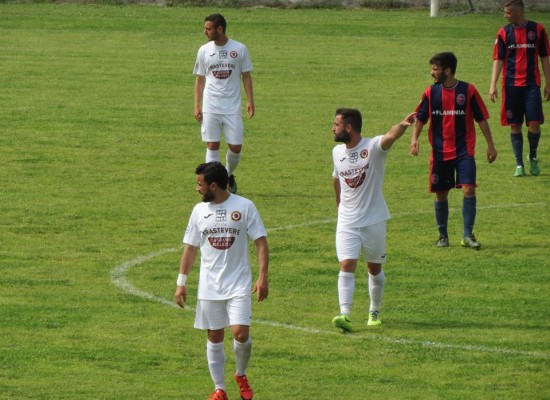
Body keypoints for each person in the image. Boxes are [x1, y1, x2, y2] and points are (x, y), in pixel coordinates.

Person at [174, 162, 269, 400]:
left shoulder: (244, 206)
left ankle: (240, 373)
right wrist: (181, 281)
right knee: (214, 335)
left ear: (213, 185)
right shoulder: (198, 211)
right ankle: (220, 389)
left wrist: (262, 277)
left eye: (200, 184)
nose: (197, 189)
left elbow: (261, 243)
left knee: (240, 334)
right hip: (209, 285)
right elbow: (190, 249)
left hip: (238, 284)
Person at [331, 108, 416, 332]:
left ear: (349, 128)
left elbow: (390, 136)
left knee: (374, 267)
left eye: (336, 125)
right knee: (347, 264)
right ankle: (345, 314)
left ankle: (374, 311)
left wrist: (404, 125)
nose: (333, 128)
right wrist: (339, 203)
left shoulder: (373, 147)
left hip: (373, 220)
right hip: (347, 221)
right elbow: (336, 179)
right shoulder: (336, 151)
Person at [411, 52, 498, 250]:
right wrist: (414, 139)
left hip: (464, 151)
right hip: (440, 152)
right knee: (441, 194)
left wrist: (491, 145)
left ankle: (467, 235)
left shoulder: (468, 91)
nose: (432, 73)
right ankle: (443, 236)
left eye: (435, 69)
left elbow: (482, 118)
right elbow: (421, 117)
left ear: (447, 70)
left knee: (468, 189)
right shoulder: (431, 93)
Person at [193, 13, 255, 194]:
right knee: (212, 144)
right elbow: (199, 79)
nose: (204, 31)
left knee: (236, 146)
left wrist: (250, 100)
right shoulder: (204, 50)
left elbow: (246, 76)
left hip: (232, 107)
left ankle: (227, 175)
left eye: (208, 28)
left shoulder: (240, 49)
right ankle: (214, 184)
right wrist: (197, 105)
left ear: (219, 29)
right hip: (211, 105)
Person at [489, 0, 550, 177]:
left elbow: (545, 57)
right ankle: (519, 164)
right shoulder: (503, 33)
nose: (505, 15)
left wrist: (548, 81)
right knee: (514, 125)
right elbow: (498, 60)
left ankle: (532, 156)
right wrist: (493, 84)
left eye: (508, 12)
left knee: (535, 123)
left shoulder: (537, 30)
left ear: (518, 12)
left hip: (532, 85)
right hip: (510, 86)